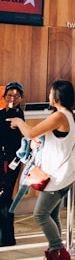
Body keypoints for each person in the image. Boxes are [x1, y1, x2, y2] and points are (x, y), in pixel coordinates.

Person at [7, 79, 75, 260]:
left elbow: (30, 132)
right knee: (52, 215)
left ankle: (60, 254)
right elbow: (49, 138)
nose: (48, 96)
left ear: (57, 95)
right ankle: (52, 256)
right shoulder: (66, 115)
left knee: (40, 214)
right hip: (63, 174)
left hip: (58, 176)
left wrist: (19, 122)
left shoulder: (59, 115)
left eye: (50, 92)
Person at [0, 82, 25, 247]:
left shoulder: (19, 116)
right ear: (3, 97)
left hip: (10, 162)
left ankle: (7, 237)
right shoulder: (1, 113)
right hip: (1, 159)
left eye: (16, 96)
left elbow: (18, 142)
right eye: (10, 95)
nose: (13, 98)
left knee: (5, 196)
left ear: (21, 98)